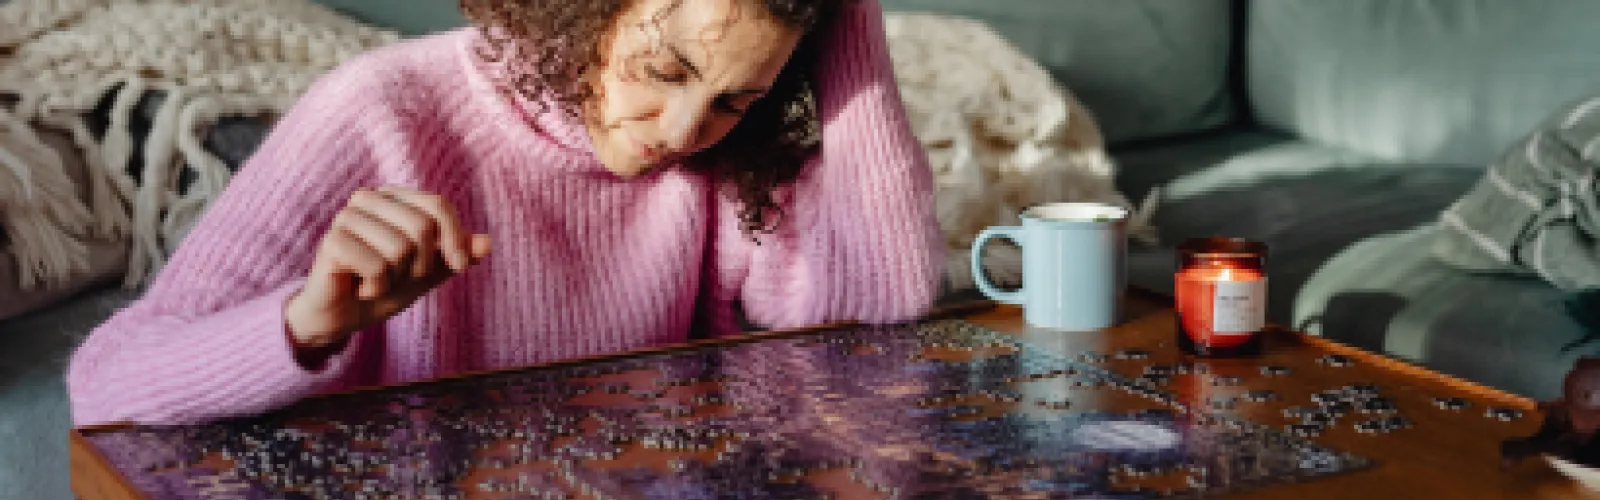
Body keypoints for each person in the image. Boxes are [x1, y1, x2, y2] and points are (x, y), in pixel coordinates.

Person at [65, 0, 942, 426]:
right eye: (666, 70)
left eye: (734, 98)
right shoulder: (378, 111)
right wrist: (306, 322)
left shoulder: (722, 161)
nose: (683, 132)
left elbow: (883, 293)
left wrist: (844, 19)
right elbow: (104, 387)